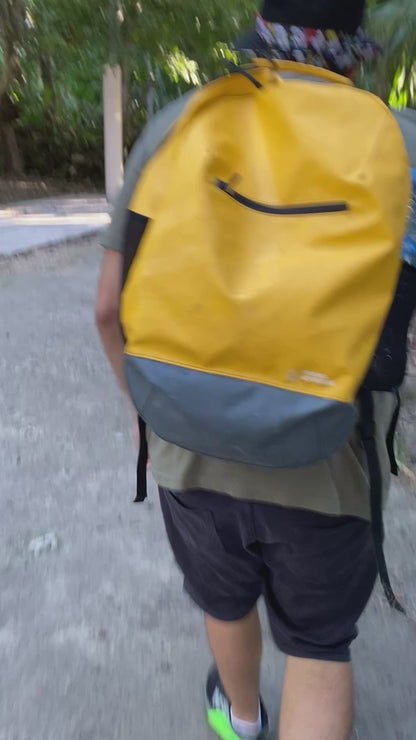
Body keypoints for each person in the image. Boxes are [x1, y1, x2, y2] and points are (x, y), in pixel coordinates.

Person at [96, 2, 415, 738]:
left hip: (188, 440)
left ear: (259, 40)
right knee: (318, 642)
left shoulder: (181, 122)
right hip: (332, 452)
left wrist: (145, 416)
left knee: (225, 599)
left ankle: (240, 716)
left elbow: (108, 310)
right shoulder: (404, 145)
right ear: (358, 57)